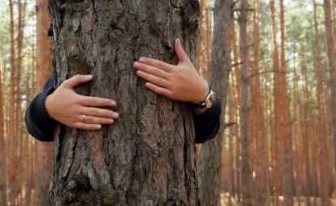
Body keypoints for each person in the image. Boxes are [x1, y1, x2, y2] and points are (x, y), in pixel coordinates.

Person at [25, 39, 221, 143]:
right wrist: (47, 107)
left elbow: (206, 132)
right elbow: (35, 126)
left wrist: (204, 95)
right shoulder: (68, 68)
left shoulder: (180, 67)